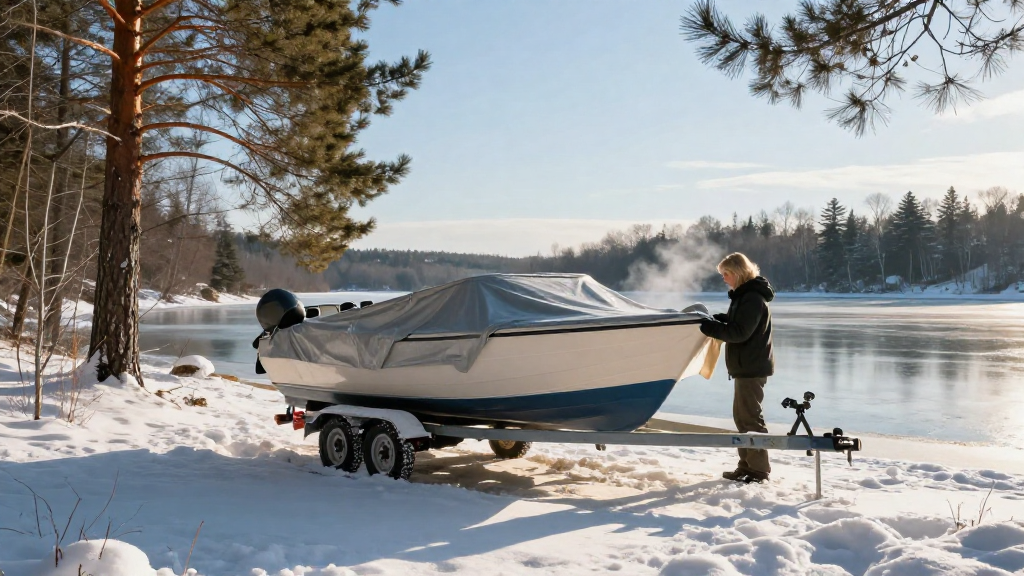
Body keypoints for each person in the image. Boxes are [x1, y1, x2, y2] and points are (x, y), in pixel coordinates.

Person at [699, 253, 775, 484]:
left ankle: (759, 470)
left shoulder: (752, 298)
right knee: (742, 419)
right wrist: (710, 319)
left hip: (752, 367)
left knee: (750, 419)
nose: (724, 279)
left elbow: (740, 333)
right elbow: (735, 322)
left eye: (726, 274)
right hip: (746, 367)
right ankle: (747, 465)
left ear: (738, 273)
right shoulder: (744, 297)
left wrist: (708, 328)